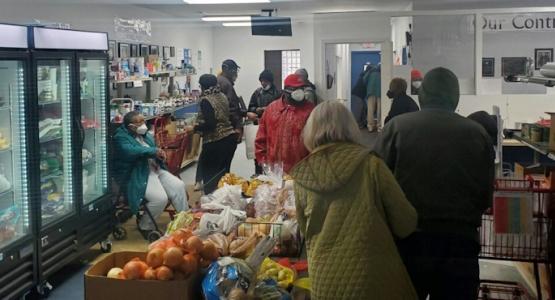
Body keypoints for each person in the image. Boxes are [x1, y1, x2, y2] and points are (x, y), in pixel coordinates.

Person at [374, 67, 494, 300]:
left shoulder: (397, 128)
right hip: (461, 243)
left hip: (408, 241)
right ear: (456, 97)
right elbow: (485, 196)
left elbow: (377, 183)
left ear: (423, 94)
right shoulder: (478, 134)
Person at [291, 100, 418, 300]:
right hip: (373, 278)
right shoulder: (371, 165)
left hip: (325, 282)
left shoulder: (302, 176)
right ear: (350, 128)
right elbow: (406, 223)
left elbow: (304, 229)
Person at [113, 111, 188, 239]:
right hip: (137, 174)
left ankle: (184, 221)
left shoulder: (145, 135)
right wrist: (153, 151)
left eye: (144, 120)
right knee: (160, 198)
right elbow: (131, 151)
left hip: (155, 169)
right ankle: (145, 225)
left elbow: (154, 149)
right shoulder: (120, 137)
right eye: (140, 122)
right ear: (131, 126)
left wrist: (160, 154)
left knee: (179, 185)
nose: (144, 124)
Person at [186, 74, 238, 194]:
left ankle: (213, 206)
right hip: (230, 139)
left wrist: (194, 128)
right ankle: (224, 204)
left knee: (210, 181)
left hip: (216, 142)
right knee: (223, 178)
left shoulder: (206, 100)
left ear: (203, 86)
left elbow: (211, 124)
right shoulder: (222, 96)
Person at [255, 74, 315, 174]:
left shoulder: (311, 111)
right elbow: (261, 139)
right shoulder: (272, 109)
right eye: (295, 89)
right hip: (273, 172)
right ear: (285, 91)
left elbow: (316, 143)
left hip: (301, 173)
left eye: (301, 88)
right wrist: (264, 163)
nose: (299, 92)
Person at [247, 69, 281, 174]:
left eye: (265, 81)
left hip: (274, 127)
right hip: (258, 125)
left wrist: (270, 109)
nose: (263, 83)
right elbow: (250, 108)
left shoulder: (278, 93)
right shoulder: (257, 93)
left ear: (270, 81)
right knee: (258, 151)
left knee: (272, 152)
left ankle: (273, 175)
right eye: (261, 80)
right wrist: (256, 110)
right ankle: (258, 174)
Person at [217, 59, 245, 143]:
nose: (235, 74)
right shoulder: (226, 84)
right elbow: (232, 108)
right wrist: (238, 126)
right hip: (228, 127)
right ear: (225, 69)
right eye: (233, 71)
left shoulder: (218, 80)